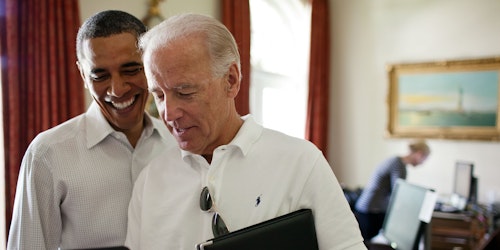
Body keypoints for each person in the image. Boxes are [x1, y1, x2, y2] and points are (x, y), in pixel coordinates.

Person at [125, 13, 366, 250]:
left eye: (185, 92)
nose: (168, 113)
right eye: (158, 95)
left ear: (231, 80)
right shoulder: (150, 182)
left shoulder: (300, 162)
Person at [7, 10, 174, 249]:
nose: (117, 89)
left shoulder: (178, 142)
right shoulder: (47, 155)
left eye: (130, 70)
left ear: (150, 63)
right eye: (100, 75)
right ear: (83, 75)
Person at [354, 139, 431, 241]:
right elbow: (399, 193)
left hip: (370, 208)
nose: (423, 163)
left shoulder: (397, 161)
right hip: (371, 210)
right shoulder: (398, 165)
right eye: (424, 159)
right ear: (419, 154)